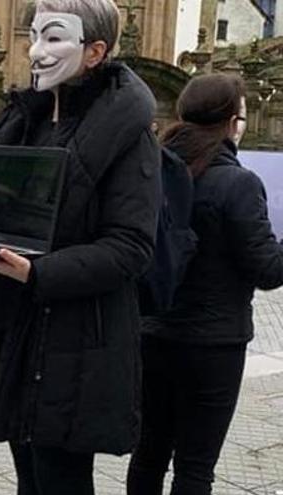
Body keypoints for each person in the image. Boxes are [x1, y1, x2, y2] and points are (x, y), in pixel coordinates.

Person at [0, 1, 162, 493]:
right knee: (29, 478)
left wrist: (39, 273)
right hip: (14, 328)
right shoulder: (22, 121)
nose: (36, 51)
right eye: (33, 36)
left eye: (53, 38)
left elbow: (131, 247)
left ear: (95, 51)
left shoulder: (129, 136)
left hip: (75, 340)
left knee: (59, 481)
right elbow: (0, 220)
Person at [127, 74, 283, 495]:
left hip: (153, 334)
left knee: (149, 453)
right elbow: (268, 270)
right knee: (195, 467)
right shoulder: (239, 183)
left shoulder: (153, 169)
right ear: (233, 122)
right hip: (212, 344)